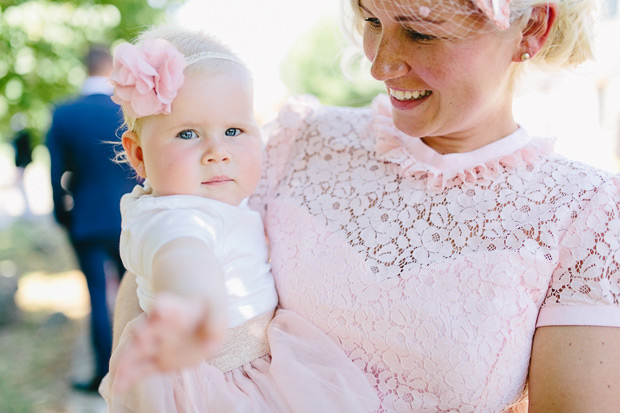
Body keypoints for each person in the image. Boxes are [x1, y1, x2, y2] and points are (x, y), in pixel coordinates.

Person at [113, 0, 620, 411]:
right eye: (372, 21)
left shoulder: (585, 212)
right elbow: (157, 268)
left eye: (421, 32)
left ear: (532, 26)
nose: (380, 63)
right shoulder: (301, 139)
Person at [99, 26, 379, 412]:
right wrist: (192, 306)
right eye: (187, 134)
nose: (217, 152)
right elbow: (181, 257)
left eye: (233, 130)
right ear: (139, 155)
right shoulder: (174, 217)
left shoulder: (206, 202)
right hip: (221, 380)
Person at [46, 44, 137, 392]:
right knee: (138, 293)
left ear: (84, 68)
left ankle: (104, 373)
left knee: (97, 295)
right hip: (130, 215)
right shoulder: (125, 110)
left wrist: (62, 216)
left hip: (85, 219)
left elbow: (55, 175)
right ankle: (138, 371)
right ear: (110, 69)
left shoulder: (64, 113)